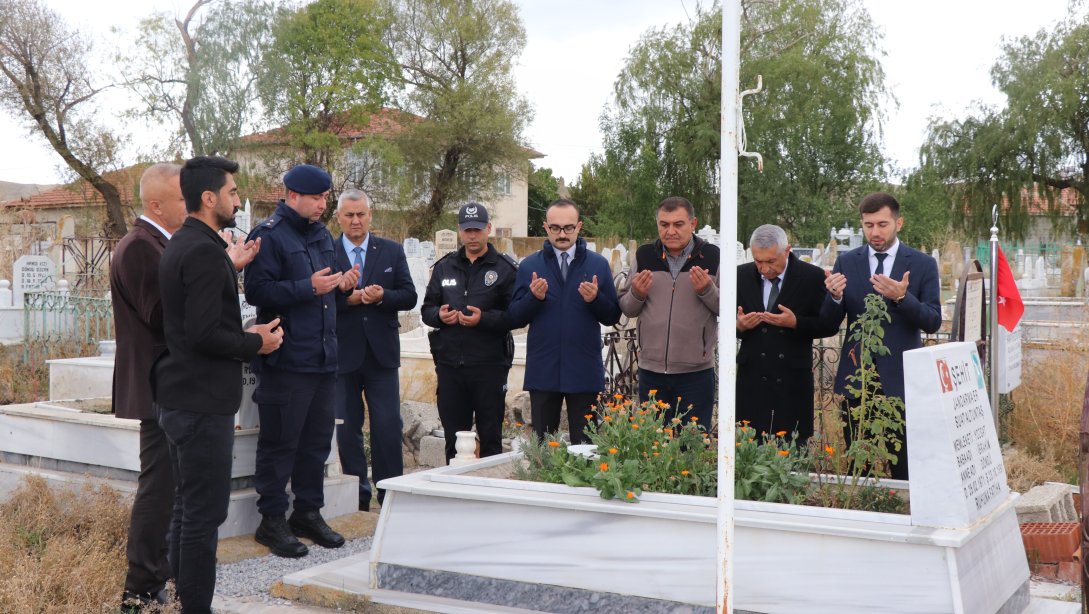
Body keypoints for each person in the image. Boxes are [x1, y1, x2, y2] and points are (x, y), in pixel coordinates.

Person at [153, 155, 283, 614]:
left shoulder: (184, 244)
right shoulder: (204, 251)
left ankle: (180, 602)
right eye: (231, 192)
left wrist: (231, 266)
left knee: (188, 511)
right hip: (201, 402)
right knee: (203, 518)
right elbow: (205, 334)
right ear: (208, 198)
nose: (236, 200)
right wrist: (258, 342)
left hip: (181, 395)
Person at [244, 164, 359, 557]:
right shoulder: (269, 235)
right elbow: (257, 290)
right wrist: (306, 287)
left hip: (324, 357)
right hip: (288, 358)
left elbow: (328, 291)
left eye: (326, 197)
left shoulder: (322, 234)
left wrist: (341, 287)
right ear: (293, 195)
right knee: (280, 443)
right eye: (317, 198)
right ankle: (272, 520)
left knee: (315, 444)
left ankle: (307, 512)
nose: (323, 204)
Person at [821, 191, 942, 480]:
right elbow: (829, 323)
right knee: (856, 465)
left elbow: (933, 321)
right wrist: (834, 297)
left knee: (903, 466)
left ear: (898, 223)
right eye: (868, 225)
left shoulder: (923, 264)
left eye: (882, 224)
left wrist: (902, 298)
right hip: (857, 379)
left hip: (901, 382)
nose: (875, 232)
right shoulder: (847, 262)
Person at [110, 163, 184, 611]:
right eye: (181, 198)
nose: (189, 204)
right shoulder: (141, 245)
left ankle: (158, 570)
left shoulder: (160, 243)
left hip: (170, 383)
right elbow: (160, 316)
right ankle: (139, 586)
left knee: (169, 484)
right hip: (158, 382)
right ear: (156, 204)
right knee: (158, 486)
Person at [508, 198, 620, 443]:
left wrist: (595, 299)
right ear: (546, 228)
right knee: (543, 446)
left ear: (579, 227)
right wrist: (533, 298)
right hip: (543, 369)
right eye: (555, 228)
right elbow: (515, 316)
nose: (562, 234)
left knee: (585, 447)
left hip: (583, 369)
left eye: (568, 227)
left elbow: (612, 315)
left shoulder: (597, 264)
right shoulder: (530, 266)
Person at [332, 189, 417, 512]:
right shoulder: (327, 251)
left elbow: (408, 295)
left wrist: (382, 296)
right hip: (344, 351)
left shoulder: (391, 252)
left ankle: (390, 493)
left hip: (381, 353)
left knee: (387, 424)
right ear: (339, 217)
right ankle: (357, 496)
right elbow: (320, 300)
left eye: (361, 214)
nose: (356, 221)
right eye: (349, 215)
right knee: (348, 427)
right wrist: (348, 299)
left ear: (371, 215)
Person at [421, 203, 517, 461]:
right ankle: (456, 495)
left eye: (477, 229)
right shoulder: (445, 267)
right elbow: (427, 309)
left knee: (490, 439)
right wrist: (439, 317)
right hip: (451, 366)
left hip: (489, 366)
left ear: (488, 229)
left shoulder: (504, 269)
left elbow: (514, 316)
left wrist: (482, 319)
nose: (472, 236)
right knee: (454, 440)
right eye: (467, 230)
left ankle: (491, 496)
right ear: (459, 231)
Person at [618, 196, 720, 427]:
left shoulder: (712, 256)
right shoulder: (645, 255)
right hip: (651, 371)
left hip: (695, 373)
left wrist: (706, 290)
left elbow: (728, 308)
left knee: (692, 443)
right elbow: (627, 308)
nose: (670, 231)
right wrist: (637, 293)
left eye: (678, 224)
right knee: (653, 446)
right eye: (664, 224)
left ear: (693, 224)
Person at [736, 224, 838, 444]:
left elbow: (828, 325)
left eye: (770, 261)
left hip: (791, 380)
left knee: (793, 451)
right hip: (753, 378)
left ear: (787, 250)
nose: (764, 268)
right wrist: (740, 325)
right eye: (758, 261)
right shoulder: (741, 275)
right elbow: (728, 324)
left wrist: (796, 322)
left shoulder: (811, 277)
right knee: (749, 451)